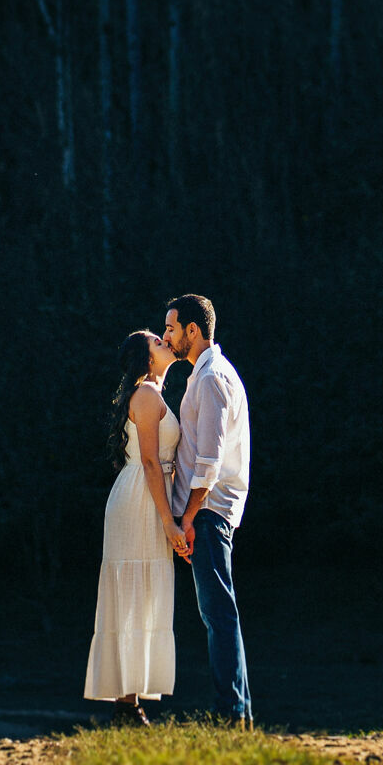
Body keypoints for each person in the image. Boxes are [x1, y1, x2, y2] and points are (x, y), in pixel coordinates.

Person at [83, 329, 188, 724]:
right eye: (157, 343)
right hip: (141, 498)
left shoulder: (154, 395)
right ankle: (126, 705)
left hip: (150, 493)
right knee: (132, 595)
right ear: (146, 359)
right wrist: (169, 522)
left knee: (144, 595)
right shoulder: (145, 395)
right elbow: (148, 462)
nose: (165, 341)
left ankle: (129, 703)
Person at [164, 293, 253, 729]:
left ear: (192, 331)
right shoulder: (204, 374)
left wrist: (188, 517)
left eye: (172, 328)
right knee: (219, 612)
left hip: (209, 512)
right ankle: (240, 711)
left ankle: (231, 713)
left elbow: (210, 462)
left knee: (218, 613)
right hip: (205, 512)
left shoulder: (212, 378)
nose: (168, 336)